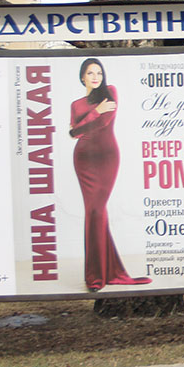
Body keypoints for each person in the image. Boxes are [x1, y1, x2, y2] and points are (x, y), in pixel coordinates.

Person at [69, 57, 151, 292]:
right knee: (94, 212)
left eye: (99, 73)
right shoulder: (76, 104)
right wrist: (96, 112)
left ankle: (98, 275)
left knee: (96, 211)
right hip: (83, 159)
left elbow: (101, 124)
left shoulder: (111, 93)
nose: (96, 77)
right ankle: (101, 273)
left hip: (106, 157)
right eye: (91, 73)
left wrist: (90, 117)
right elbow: (75, 132)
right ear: (82, 77)